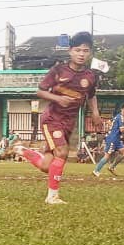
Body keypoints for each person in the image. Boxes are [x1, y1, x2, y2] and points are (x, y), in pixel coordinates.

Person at [15, 33, 104, 204]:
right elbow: (40, 91)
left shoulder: (90, 76)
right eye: (77, 50)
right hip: (52, 119)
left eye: (85, 50)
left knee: (46, 166)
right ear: (70, 51)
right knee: (62, 152)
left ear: (90, 53)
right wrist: (58, 98)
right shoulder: (58, 70)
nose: (81, 54)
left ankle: (24, 151)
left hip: (68, 123)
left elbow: (91, 96)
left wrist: (95, 113)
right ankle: (52, 197)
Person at [92, 104, 124, 177]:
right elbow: (122, 130)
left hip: (116, 138)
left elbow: (108, 122)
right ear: (122, 109)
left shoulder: (117, 116)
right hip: (112, 139)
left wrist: (112, 128)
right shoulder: (120, 117)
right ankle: (96, 170)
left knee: (123, 152)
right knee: (107, 156)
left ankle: (112, 167)